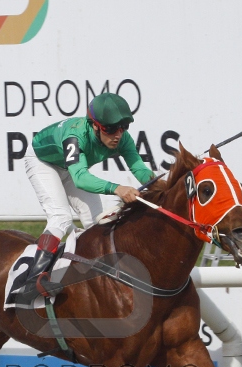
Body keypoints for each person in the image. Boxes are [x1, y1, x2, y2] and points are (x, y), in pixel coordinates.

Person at [18, 92, 155, 300]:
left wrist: (161, 184)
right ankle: (32, 281)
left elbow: (139, 168)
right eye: (110, 129)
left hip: (70, 168)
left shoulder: (122, 138)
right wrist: (118, 188)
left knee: (97, 222)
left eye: (123, 127)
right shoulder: (75, 136)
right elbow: (81, 178)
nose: (117, 135)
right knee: (61, 217)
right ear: (95, 126)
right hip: (43, 162)